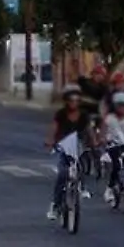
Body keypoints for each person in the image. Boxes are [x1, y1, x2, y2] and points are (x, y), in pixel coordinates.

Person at [43, 85, 99, 221]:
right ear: (66, 101)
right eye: (71, 100)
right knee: (63, 173)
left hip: (79, 145)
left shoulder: (84, 115)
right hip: (64, 146)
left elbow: (89, 130)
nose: (74, 102)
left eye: (77, 100)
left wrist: (94, 141)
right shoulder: (61, 114)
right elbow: (54, 129)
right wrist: (50, 141)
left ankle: (82, 187)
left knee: (82, 166)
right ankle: (55, 205)